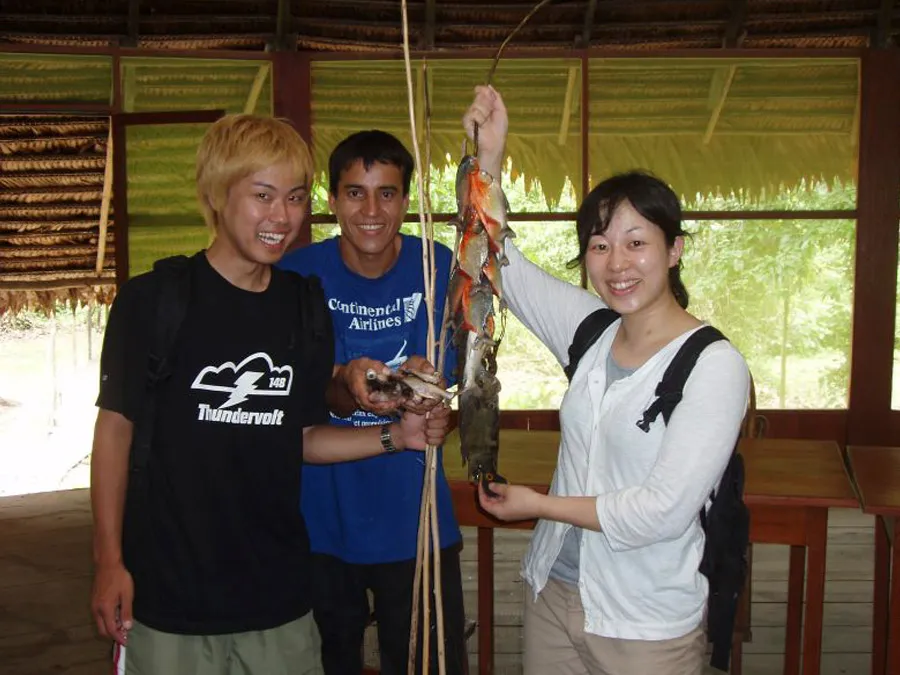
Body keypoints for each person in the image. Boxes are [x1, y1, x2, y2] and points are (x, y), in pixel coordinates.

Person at [89, 114, 450, 675]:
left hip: (279, 600)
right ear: (216, 194)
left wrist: (394, 437)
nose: (280, 217)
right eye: (262, 195)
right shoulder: (153, 301)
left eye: (294, 198)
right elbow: (114, 431)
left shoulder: (303, 306)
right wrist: (108, 560)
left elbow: (303, 436)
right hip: (169, 598)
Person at [464, 87, 750, 675]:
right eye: (599, 246)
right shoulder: (593, 332)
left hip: (644, 623)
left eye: (636, 242)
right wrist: (486, 161)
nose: (616, 264)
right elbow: (497, 260)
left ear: (674, 250)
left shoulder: (713, 364)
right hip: (552, 596)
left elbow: (661, 512)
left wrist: (537, 504)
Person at [278, 129, 468, 675]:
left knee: (429, 662)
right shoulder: (295, 277)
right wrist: (345, 379)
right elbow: (301, 400)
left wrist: (429, 393)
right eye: (355, 192)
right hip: (319, 522)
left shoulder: (438, 268)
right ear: (332, 199)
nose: (371, 209)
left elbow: (452, 394)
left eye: (387, 192)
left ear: (405, 200)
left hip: (417, 519)